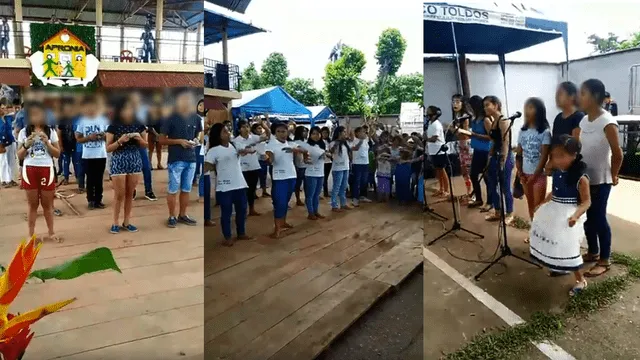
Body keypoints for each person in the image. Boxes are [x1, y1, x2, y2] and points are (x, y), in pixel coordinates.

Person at [529, 135, 591, 296]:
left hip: (569, 213)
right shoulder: (557, 173)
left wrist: (575, 216)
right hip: (554, 210)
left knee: (569, 248)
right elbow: (554, 192)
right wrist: (543, 202)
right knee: (554, 240)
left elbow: (586, 202)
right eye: (554, 156)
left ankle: (581, 280)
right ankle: (559, 267)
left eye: (561, 156)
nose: (557, 160)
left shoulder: (581, 178)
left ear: (574, 155)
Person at [579, 79, 623, 277]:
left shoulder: (607, 122)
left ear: (595, 97)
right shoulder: (583, 120)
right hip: (586, 178)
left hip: (602, 179)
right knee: (589, 219)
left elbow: (618, 153)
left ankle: (605, 259)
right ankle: (593, 252)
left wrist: (613, 174)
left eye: (583, 94)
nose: (579, 98)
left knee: (598, 219)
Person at [16, 102, 61, 242]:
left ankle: (51, 232)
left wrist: (47, 143)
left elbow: (57, 153)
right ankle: (30, 235)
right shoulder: (24, 132)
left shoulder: (50, 131)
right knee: (32, 204)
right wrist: (26, 145)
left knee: (48, 204)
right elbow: (19, 155)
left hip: (46, 169)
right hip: (30, 169)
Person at [159, 90, 202, 228]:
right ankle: (171, 216)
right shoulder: (170, 118)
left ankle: (183, 214)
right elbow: (161, 140)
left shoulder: (195, 118)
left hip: (191, 158)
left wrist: (196, 140)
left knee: (186, 189)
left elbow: (198, 134)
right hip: (176, 159)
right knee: (173, 189)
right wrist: (179, 141)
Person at [105, 97, 147, 234]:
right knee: (119, 194)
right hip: (119, 159)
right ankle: (115, 222)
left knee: (130, 193)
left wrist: (139, 139)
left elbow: (146, 144)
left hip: (134, 159)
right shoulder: (113, 125)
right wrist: (120, 141)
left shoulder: (139, 124)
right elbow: (108, 148)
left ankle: (127, 221)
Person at [206, 123, 253, 246]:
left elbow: (247, 148)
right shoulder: (213, 150)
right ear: (219, 135)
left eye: (228, 131)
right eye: (225, 132)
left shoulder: (234, 145)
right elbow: (207, 165)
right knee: (226, 213)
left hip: (239, 184)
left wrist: (246, 151)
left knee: (242, 211)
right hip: (224, 187)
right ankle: (227, 237)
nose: (228, 133)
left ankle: (241, 233)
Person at [516, 98, 551, 243]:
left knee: (539, 207)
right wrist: (520, 172)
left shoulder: (544, 132)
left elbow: (544, 156)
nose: (527, 110)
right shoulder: (522, 131)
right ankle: (534, 232)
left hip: (539, 175)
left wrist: (535, 175)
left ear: (539, 110)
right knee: (530, 205)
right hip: (525, 174)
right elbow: (519, 153)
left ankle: (542, 235)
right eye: (526, 107)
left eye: (531, 107)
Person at [265, 122, 308, 238]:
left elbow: (304, 149)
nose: (281, 134)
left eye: (283, 131)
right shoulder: (271, 145)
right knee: (280, 202)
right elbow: (269, 157)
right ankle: (277, 229)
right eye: (278, 131)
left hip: (291, 176)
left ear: (287, 132)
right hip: (280, 178)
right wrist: (269, 158)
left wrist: (300, 152)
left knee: (286, 201)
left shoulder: (290, 143)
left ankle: (283, 222)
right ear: (275, 133)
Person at [483, 95, 514, 224]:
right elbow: (494, 141)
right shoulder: (493, 120)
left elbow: (506, 142)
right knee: (492, 184)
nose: (485, 108)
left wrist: (503, 160)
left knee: (505, 186)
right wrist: (490, 157)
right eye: (484, 106)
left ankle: (510, 213)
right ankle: (497, 211)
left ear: (495, 105)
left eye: (487, 105)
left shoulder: (503, 120)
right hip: (494, 156)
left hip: (504, 157)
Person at [75, 95, 109, 210]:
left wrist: (103, 136)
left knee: (99, 178)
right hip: (88, 155)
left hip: (100, 154)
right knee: (90, 178)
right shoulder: (83, 121)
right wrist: (89, 137)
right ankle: (90, 199)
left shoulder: (103, 120)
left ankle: (99, 199)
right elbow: (78, 138)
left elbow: (109, 136)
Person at [234, 119, 271, 216]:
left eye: (247, 126)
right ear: (239, 129)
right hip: (242, 168)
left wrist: (264, 125)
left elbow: (267, 136)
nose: (246, 129)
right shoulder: (235, 140)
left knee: (252, 189)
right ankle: (242, 210)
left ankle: (251, 209)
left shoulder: (254, 137)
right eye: (243, 127)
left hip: (254, 167)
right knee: (243, 190)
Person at [467, 95, 492, 209]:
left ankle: (490, 202)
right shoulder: (474, 120)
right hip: (477, 150)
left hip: (485, 151)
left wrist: (475, 135)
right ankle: (478, 199)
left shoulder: (485, 120)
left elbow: (491, 137)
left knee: (487, 177)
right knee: (473, 175)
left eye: (470, 106)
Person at [301, 126, 327, 219]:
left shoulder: (322, 145)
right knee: (310, 194)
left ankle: (316, 211)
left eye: (318, 133)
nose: (316, 136)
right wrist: (309, 160)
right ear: (310, 135)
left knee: (317, 194)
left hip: (320, 172)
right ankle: (310, 213)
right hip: (311, 173)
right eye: (314, 133)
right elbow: (304, 160)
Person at [451, 94, 473, 201]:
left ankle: (472, 195)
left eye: (458, 101)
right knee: (464, 171)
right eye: (453, 101)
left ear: (463, 103)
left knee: (469, 171)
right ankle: (469, 192)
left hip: (467, 144)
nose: (455, 104)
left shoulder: (465, 116)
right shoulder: (457, 116)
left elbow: (468, 133)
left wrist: (455, 129)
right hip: (461, 144)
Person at [426, 106, 449, 197]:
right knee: (438, 171)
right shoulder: (430, 124)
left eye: (429, 111)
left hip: (439, 150)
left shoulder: (436, 124)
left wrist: (426, 139)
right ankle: (441, 189)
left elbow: (434, 138)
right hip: (433, 151)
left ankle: (446, 190)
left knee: (442, 170)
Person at [56, 98, 79, 186]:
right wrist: (60, 145)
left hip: (75, 144)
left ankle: (78, 177)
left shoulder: (76, 119)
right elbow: (59, 133)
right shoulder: (62, 119)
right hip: (65, 145)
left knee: (76, 162)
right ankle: (66, 178)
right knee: (66, 162)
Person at [329, 126, 351, 212]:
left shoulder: (345, 143)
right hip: (337, 168)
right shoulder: (333, 143)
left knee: (344, 186)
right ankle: (334, 205)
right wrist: (337, 143)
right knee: (336, 187)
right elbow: (331, 151)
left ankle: (343, 204)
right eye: (344, 132)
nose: (345, 133)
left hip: (346, 167)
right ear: (339, 133)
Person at [349, 126, 370, 207]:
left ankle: (362, 196)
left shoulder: (366, 140)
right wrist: (360, 141)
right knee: (356, 181)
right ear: (357, 133)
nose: (364, 133)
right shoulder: (354, 140)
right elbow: (355, 148)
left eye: (365, 132)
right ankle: (355, 198)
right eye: (362, 131)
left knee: (364, 181)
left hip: (365, 163)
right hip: (357, 163)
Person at [252, 120, 271, 198]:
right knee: (255, 177)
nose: (260, 130)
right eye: (258, 128)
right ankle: (254, 193)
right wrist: (264, 125)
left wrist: (265, 124)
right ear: (254, 130)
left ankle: (264, 191)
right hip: (256, 160)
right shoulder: (254, 138)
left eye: (261, 128)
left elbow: (268, 133)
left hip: (263, 160)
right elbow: (268, 132)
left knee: (264, 176)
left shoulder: (262, 137)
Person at [0, 98, 16, 187]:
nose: (4, 110)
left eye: (5, 108)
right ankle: (4, 180)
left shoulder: (8, 118)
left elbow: (14, 111)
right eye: (2, 108)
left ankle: (11, 179)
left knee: (11, 161)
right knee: (3, 162)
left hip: (10, 141)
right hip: (1, 143)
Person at [292, 126, 308, 206]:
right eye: (304, 131)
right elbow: (296, 154)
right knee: (298, 184)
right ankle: (298, 199)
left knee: (307, 184)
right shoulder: (295, 142)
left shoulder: (307, 141)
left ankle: (307, 198)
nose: (306, 133)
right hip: (299, 165)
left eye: (306, 131)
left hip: (307, 165)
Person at [146, 98, 164, 170]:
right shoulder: (150, 116)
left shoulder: (162, 116)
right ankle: (149, 164)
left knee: (159, 150)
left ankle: (159, 164)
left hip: (160, 135)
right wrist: (156, 134)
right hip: (152, 134)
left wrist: (161, 135)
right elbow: (150, 127)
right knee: (151, 150)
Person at [194, 99, 206, 187]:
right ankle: (194, 179)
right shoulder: (194, 117)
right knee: (196, 162)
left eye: (203, 105)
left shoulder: (207, 118)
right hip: (196, 143)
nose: (201, 107)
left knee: (202, 163)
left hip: (204, 144)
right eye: (200, 105)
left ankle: (200, 179)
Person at [321, 126, 332, 198]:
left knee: (326, 177)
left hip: (329, 161)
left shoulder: (330, 141)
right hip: (322, 162)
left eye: (326, 133)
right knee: (323, 178)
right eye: (323, 133)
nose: (325, 134)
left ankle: (325, 192)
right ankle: (324, 192)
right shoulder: (319, 141)